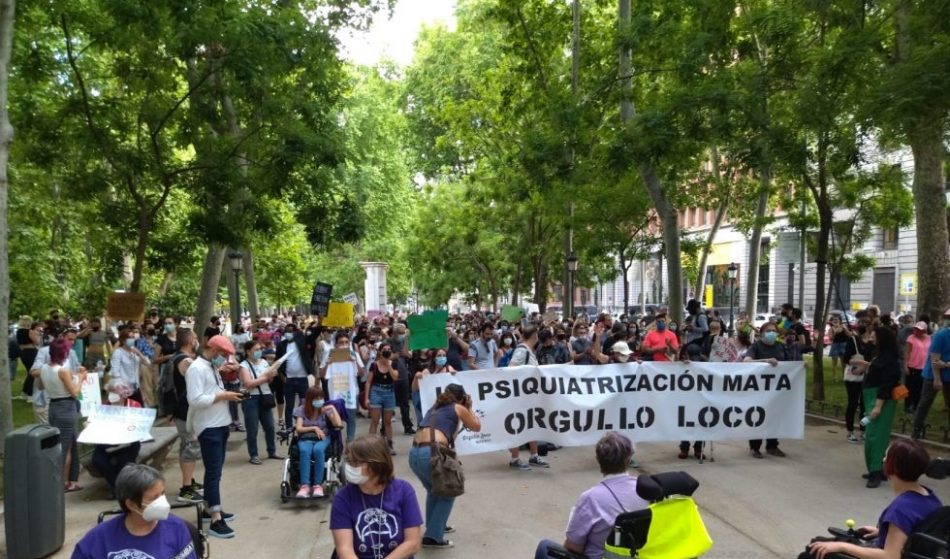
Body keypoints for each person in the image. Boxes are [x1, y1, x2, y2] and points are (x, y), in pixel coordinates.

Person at [801, 439, 941, 559]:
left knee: (811, 552)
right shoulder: (929, 497)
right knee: (817, 542)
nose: (884, 459)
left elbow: (890, 556)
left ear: (894, 466)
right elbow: (918, 531)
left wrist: (842, 546)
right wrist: (883, 532)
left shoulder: (901, 507)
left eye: (886, 456)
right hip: (911, 552)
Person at [533, 432, 649, 559]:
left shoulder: (591, 498)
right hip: (637, 554)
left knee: (544, 548)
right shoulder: (645, 489)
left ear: (598, 459)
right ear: (628, 458)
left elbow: (573, 547)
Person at [408, 383, 481, 549]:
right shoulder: (458, 407)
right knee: (449, 492)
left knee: (434, 491)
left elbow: (450, 435)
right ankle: (433, 537)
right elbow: (477, 426)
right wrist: (469, 408)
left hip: (415, 453)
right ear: (461, 398)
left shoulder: (434, 408)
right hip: (431, 454)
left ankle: (436, 526)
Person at [185, 335, 244, 538]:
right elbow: (195, 399)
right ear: (214, 351)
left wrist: (226, 393)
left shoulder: (211, 367)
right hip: (208, 427)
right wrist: (223, 396)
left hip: (220, 423)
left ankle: (212, 508)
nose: (225, 360)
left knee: (216, 471)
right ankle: (215, 519)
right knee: (212, 471)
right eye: (224, 355)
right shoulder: (196, 369)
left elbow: (212, 391)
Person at [71, 464, 197, 559]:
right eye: (154, 498)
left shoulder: (177, 529)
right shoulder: (99, 537)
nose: (163, 501)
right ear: (131, 504)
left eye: (162, 494)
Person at [330, 435, 423, 559]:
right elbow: (344, 549)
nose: (350, 467)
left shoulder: (404, 491)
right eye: (350, 461)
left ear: (377, 464)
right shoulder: (343, 498)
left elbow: (413, 543)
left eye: (356, 462)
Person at [41, 337, 87, 492]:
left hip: (54, 405)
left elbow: (41, 384)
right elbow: (74, 392)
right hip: (66, 407)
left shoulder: (45, 368)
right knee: (65, 447)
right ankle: (59, 482)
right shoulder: (62, 370)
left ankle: (71, 480)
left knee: (71, 443)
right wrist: (81, 378)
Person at [861, 326, 902, 488]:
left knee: (876, 437)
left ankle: (876, 472)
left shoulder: (889, 359)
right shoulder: (880, 355)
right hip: (873, 398)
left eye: (873, 334)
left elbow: (887, 384)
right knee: (872, 435)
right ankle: (875, 468)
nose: (871, 336)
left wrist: (878, 406)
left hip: (880, 400)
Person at [743, 321, 788, 458]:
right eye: (768, 331)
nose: (771, 333)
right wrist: (765, 361)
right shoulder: (756, 346)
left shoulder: (781, 346)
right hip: (759, 390)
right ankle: (754, 447)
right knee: (758, 417)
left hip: (777, 389)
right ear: (761, 333)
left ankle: (772, 445)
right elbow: (746, 362)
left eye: (774, 331)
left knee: (775, 417)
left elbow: (790, 363)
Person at [91, 379, 143, 497]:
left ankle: (117, 489)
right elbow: (96, 423)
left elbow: (138, 426)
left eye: (114, 391)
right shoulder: (104, 406)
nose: (111, 394)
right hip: (107, 443)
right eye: (110, 391)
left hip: (128, 443)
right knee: (98, 461)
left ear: (124, 393)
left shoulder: (134, 405)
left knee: (124, 462)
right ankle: (116, 486)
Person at [169, 330, 204, 504]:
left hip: (185, 410)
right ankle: (185, 489)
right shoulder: (184, 361)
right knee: (191, 446)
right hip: (185, 411)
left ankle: (189, 481)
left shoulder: (182, 358)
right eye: (196, 338)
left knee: (187, 446)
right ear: (190, 340)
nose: (197, 341)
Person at [507, 325, 549, 470]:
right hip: (520, 396)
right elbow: (511, 368)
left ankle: (534, 455)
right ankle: (515, 458)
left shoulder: (529, 351)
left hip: (530, 396)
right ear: (535, 336)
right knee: (518, 425)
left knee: (533, 424)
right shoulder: (522, 350)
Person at [294, 384, 344, 498]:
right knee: (304, 452)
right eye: (316, 399)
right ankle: (305, 486)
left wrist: (333, 408)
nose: (319, 401)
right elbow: (299, 428)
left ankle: (318, 485)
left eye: (321, 398)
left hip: (323, 438)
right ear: (310, 399)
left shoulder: (325, 411)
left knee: (318, 450)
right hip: (306, 438)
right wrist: (314, 428)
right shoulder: (301, 410)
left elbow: (338, 424)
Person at [239, 340, 282, 464]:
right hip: (251, 399)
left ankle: (272, 451)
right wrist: (266, 377)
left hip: (265, 396)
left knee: (270, 426)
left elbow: (268, 381)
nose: (259, 352)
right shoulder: (244, 365)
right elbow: (248, 384)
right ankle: (253, 454)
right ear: (248, 352)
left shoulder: (263, 362)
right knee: (252, 428)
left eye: (260, 349)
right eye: (256, 350)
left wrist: (271, 376)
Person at [912, 308, 950, 440]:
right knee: (925, 402)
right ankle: (916, 431)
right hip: (933, 375)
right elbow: (935, 359)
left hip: (948, 372)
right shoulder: (941, 335)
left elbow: (941, 362)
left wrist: (945, 364)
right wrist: (937, 379)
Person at [277, 323, 315, 429]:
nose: (288, 333)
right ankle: (289, 427)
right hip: (288, 380)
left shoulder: (301, 342)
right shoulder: (281, 345)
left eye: (290, 331)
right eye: (286, 331)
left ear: (295, 332)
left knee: (305, 403)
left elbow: (313, 335)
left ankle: (304, 423)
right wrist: (281, 376)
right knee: (289, 405)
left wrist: (320, 324)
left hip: (302, 378)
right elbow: (278, 361)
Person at [364, 341, 399, 454]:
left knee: (387, 421)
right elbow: (368, 382)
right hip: (376, 391)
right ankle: (371, 445)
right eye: (385, 350)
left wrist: (388, 364)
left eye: (389, 350)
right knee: (374, 420)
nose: (387, 352)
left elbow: (395, 377)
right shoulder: (374, 365)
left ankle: (389, 444)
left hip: (389, 392)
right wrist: (366, 398)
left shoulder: (394, 363)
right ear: (380, 352)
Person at [843, 321, 873, 444]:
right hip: (852, 378)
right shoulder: (853, 341)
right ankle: (850, 431)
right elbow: (846, 359)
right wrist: (862, 364)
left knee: (865, 406)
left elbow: (874, 359)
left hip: (866, 378)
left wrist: (865, 367)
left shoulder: (872, 343)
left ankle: (863, 430)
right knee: (853, 403)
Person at [111, 325, 149, 405]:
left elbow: (147, 363)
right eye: (129, 337)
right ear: (123, 340)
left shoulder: (134, 352)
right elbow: (115, 371)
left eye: (132, 337)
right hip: (123, 388)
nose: (131, 339)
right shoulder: (118, 352)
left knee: (139, 408)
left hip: (135, 386)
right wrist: (121, 386)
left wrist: (139, 353)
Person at [904, 322, 930, 416]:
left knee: (920, 388)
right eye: (915, 329)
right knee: (909, 387)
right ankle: (907, 406)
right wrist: (905, 365)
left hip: (923, 367)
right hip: (912, 366)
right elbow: (907, 352)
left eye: (919, 329)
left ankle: (915, 406)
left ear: (924, 330)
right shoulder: (911, 338)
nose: (916, 331)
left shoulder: (929, 339)